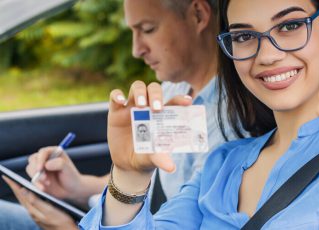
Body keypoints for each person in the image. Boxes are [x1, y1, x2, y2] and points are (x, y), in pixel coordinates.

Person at [78, 0, 319, 229]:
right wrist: (129, 177)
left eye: (290, 26)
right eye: (244, 36)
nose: (267, 55)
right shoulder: (221, 165)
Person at [1, 0, 231, 229]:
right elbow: (147, 180)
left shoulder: (228, 127)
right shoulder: (173, 90)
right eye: (132, 31)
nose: (136, 49)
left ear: (199, 15)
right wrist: (78, 186)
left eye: (148, 29)